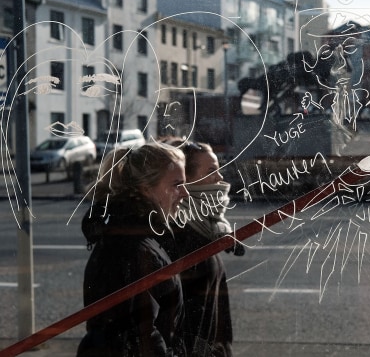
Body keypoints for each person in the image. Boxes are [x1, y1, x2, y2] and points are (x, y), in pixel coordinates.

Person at [77, 142, 189, 357]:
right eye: (177, 184)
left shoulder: (138, 237)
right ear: (146, 189)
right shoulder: (134, 248)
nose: (184, 193)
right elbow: (140, 337)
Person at [171, 141, 244, 357]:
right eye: (212, 171)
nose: (220, 178)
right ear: (187, 180)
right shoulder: (181, 233)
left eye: (219, 169)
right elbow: (188, 322)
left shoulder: (208, 227)